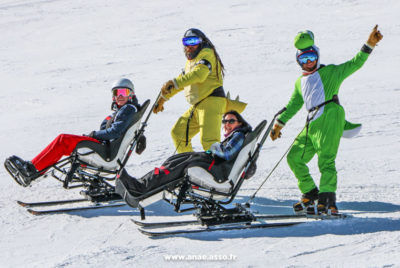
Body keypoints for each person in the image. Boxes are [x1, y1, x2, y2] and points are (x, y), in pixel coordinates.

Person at [270, 25, 383, 216]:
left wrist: (369, 44)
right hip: (312, 121)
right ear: (298, 61)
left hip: (330, 115)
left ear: (317, 56)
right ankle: (311, 192)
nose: (308, 62)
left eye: (311, 57)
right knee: (294, 157)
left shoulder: (330, 72)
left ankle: (327, 197)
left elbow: (354, 64)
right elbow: (293, 104)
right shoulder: (300, 82)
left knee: (326, 160)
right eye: (303, 59)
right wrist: (279, 123)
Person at [5, 78, 144, 187]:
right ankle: (34, 168)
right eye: (116, 93)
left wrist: (93, 135)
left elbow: (115, 132)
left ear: (131, 94)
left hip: (105, 151)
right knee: (64, 144)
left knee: (63, 140)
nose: (119, 96)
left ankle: (32, 169)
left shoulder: (128, 109)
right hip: (105, 148)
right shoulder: (124, 110)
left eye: (123, 92)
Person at [116, 111, 251, 201]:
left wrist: (214, 145)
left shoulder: (238, 135)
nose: (226, 124)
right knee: (174, 160)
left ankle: (140, 188)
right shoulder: (238, 135)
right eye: (224, 121)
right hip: (213, 164)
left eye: (231, 121)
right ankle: (140, 183)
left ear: (240, 123)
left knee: (179, 167)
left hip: (217, 171)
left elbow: (226, 153)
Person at [152, 28, 245, 153]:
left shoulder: (206, 53)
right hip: (198, 106)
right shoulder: (190, 62)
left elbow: (199, 74)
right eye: (186, 42)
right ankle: (189, 165)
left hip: (211, 101)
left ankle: (220, 169)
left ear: (201, 42)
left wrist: (174, 82)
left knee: (209, 141)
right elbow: (182, 81)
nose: (189, 46)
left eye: (193, 41)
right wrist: (162, 99)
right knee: (178, 133)